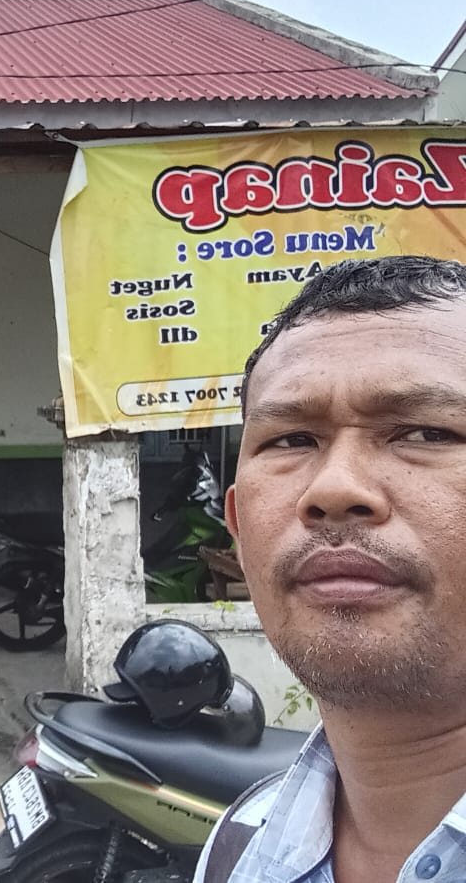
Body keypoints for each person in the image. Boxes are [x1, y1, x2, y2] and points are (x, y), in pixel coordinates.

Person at [201, 254, 466, 883]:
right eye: (292, 439)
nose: (334, 488)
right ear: (238, 525)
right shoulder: (240, 847)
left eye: (425, 433)